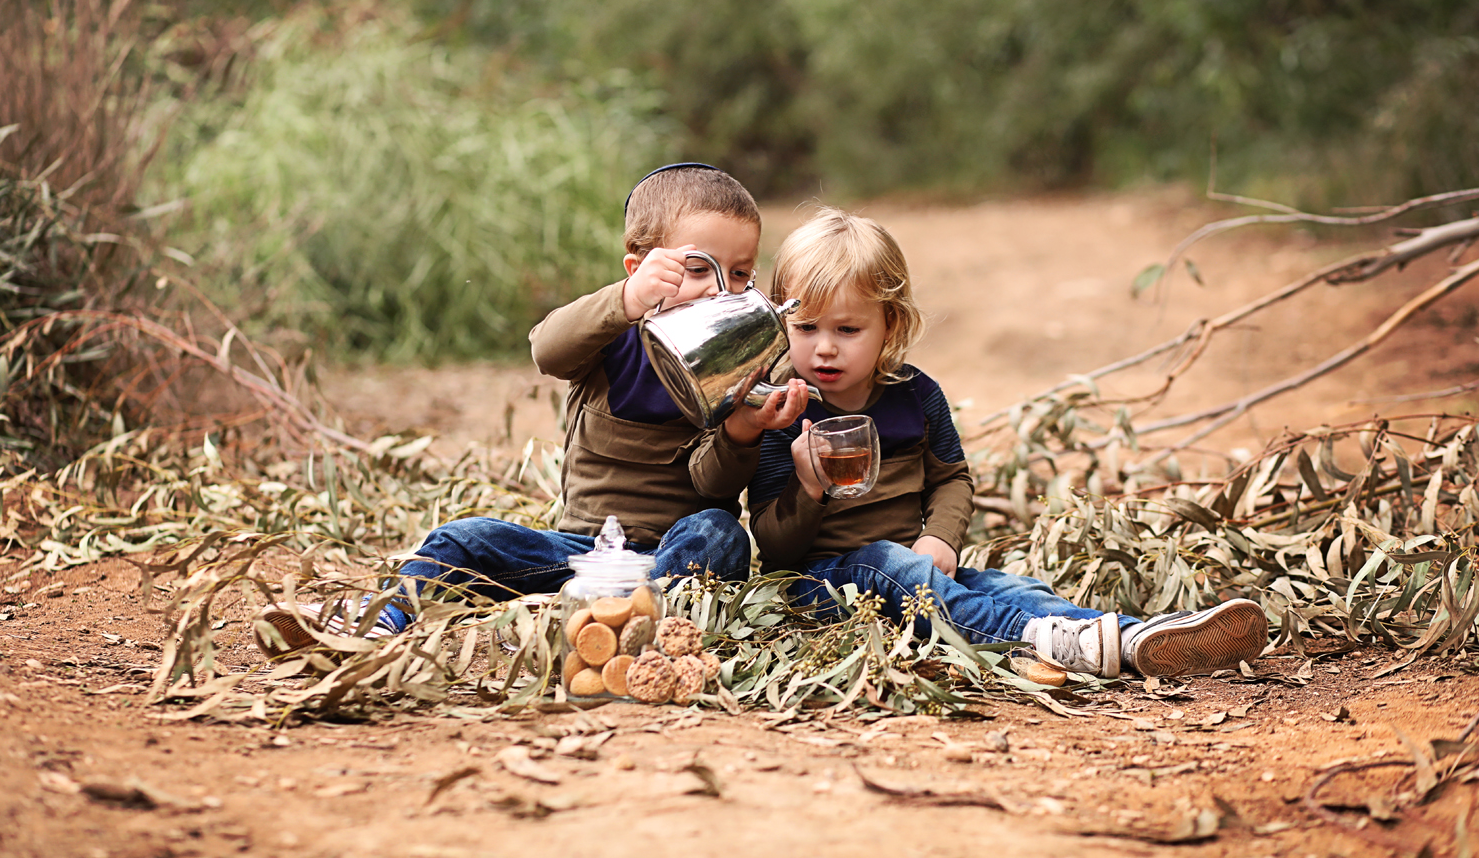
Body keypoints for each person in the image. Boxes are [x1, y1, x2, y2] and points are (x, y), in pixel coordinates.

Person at [254, 163, 806, 656]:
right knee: (461, 538)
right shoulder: (613, 339)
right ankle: (380, 623)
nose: (719, 290)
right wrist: (625, 301)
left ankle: (621, 631)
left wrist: (742, 430)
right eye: (697, 268)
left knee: (719, 533)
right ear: (639, 268)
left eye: (739, 274)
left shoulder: (744, 365)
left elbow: (712, 486)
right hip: (585, 554)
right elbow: (547, 349)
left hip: (672, 552)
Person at [738, 207, 1267, 678]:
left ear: (889, 325)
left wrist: (942, 538)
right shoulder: (783, 411)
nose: (824, 348)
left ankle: (1134, 636)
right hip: (824, 589)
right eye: (806, 327)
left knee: (1009, 589)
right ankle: (1040, 640)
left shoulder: (917, 396)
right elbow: (775, 545)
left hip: (915, 576)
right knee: (885, 562)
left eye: (848, 330)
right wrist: (807, 488)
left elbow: (951, 479)